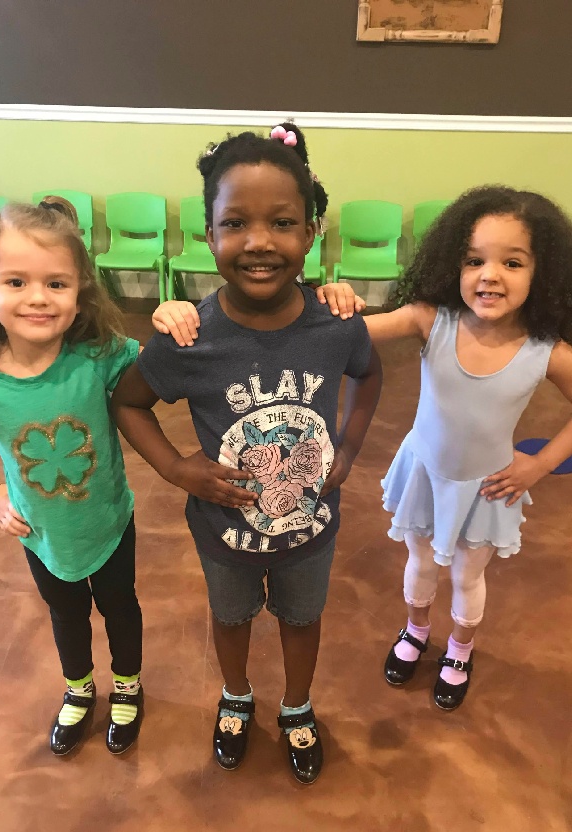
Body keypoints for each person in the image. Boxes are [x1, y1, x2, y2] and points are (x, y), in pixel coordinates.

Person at [159, 185, 572, 711]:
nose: (490, 274)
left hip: (487, 487)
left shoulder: (547, 352)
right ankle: (416, 630)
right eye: (475, 260)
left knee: (469, 574)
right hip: (425, 472)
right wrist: (332, 299)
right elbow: (332, 334)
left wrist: (540, 463)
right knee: (420, 563)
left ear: (545, 273)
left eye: (512, 262)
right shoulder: (431, 320)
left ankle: (460, 650)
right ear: (455, 264)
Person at [112, 129, 382, 783]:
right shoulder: (189, 338)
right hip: (224, 532)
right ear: (209, 233)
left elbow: (369, 374)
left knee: (302, 618)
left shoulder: (335, 322)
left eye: (282, 222)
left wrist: (347, 447)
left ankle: (297, 705)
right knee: (230, 618)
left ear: (312, 231)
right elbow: (128, 402)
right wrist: (177, 468)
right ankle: (235, 696)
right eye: (236, 223)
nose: (260, 241)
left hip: (311, 531)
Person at [0, 199, 144, 755]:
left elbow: (161, 366)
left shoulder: (98, 354)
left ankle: (127, 685)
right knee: (65, 613)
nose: (38, 298)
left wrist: (175, 319)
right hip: (41, 532)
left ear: (80, 293)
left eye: (57, 283)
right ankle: (78, 688)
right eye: (17, 281)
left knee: (120, 607)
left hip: (109, 519)